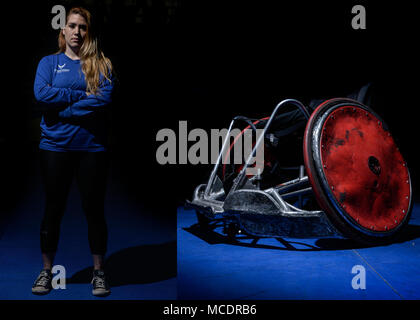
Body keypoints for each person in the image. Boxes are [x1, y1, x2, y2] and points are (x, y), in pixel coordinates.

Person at [32, 7, 114, 297]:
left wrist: (62, 107)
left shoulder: (101, 64)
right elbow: (42, 94)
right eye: (72, 26)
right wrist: (80, 96)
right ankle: (46, 272)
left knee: (94, 211)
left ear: (88, 32)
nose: (77, 32)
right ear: (63, 30)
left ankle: (99, 273)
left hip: (91, 147)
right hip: (54, 146)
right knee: (53, 210)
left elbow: (103, 99)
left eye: (82, 27)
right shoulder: (48, 63)